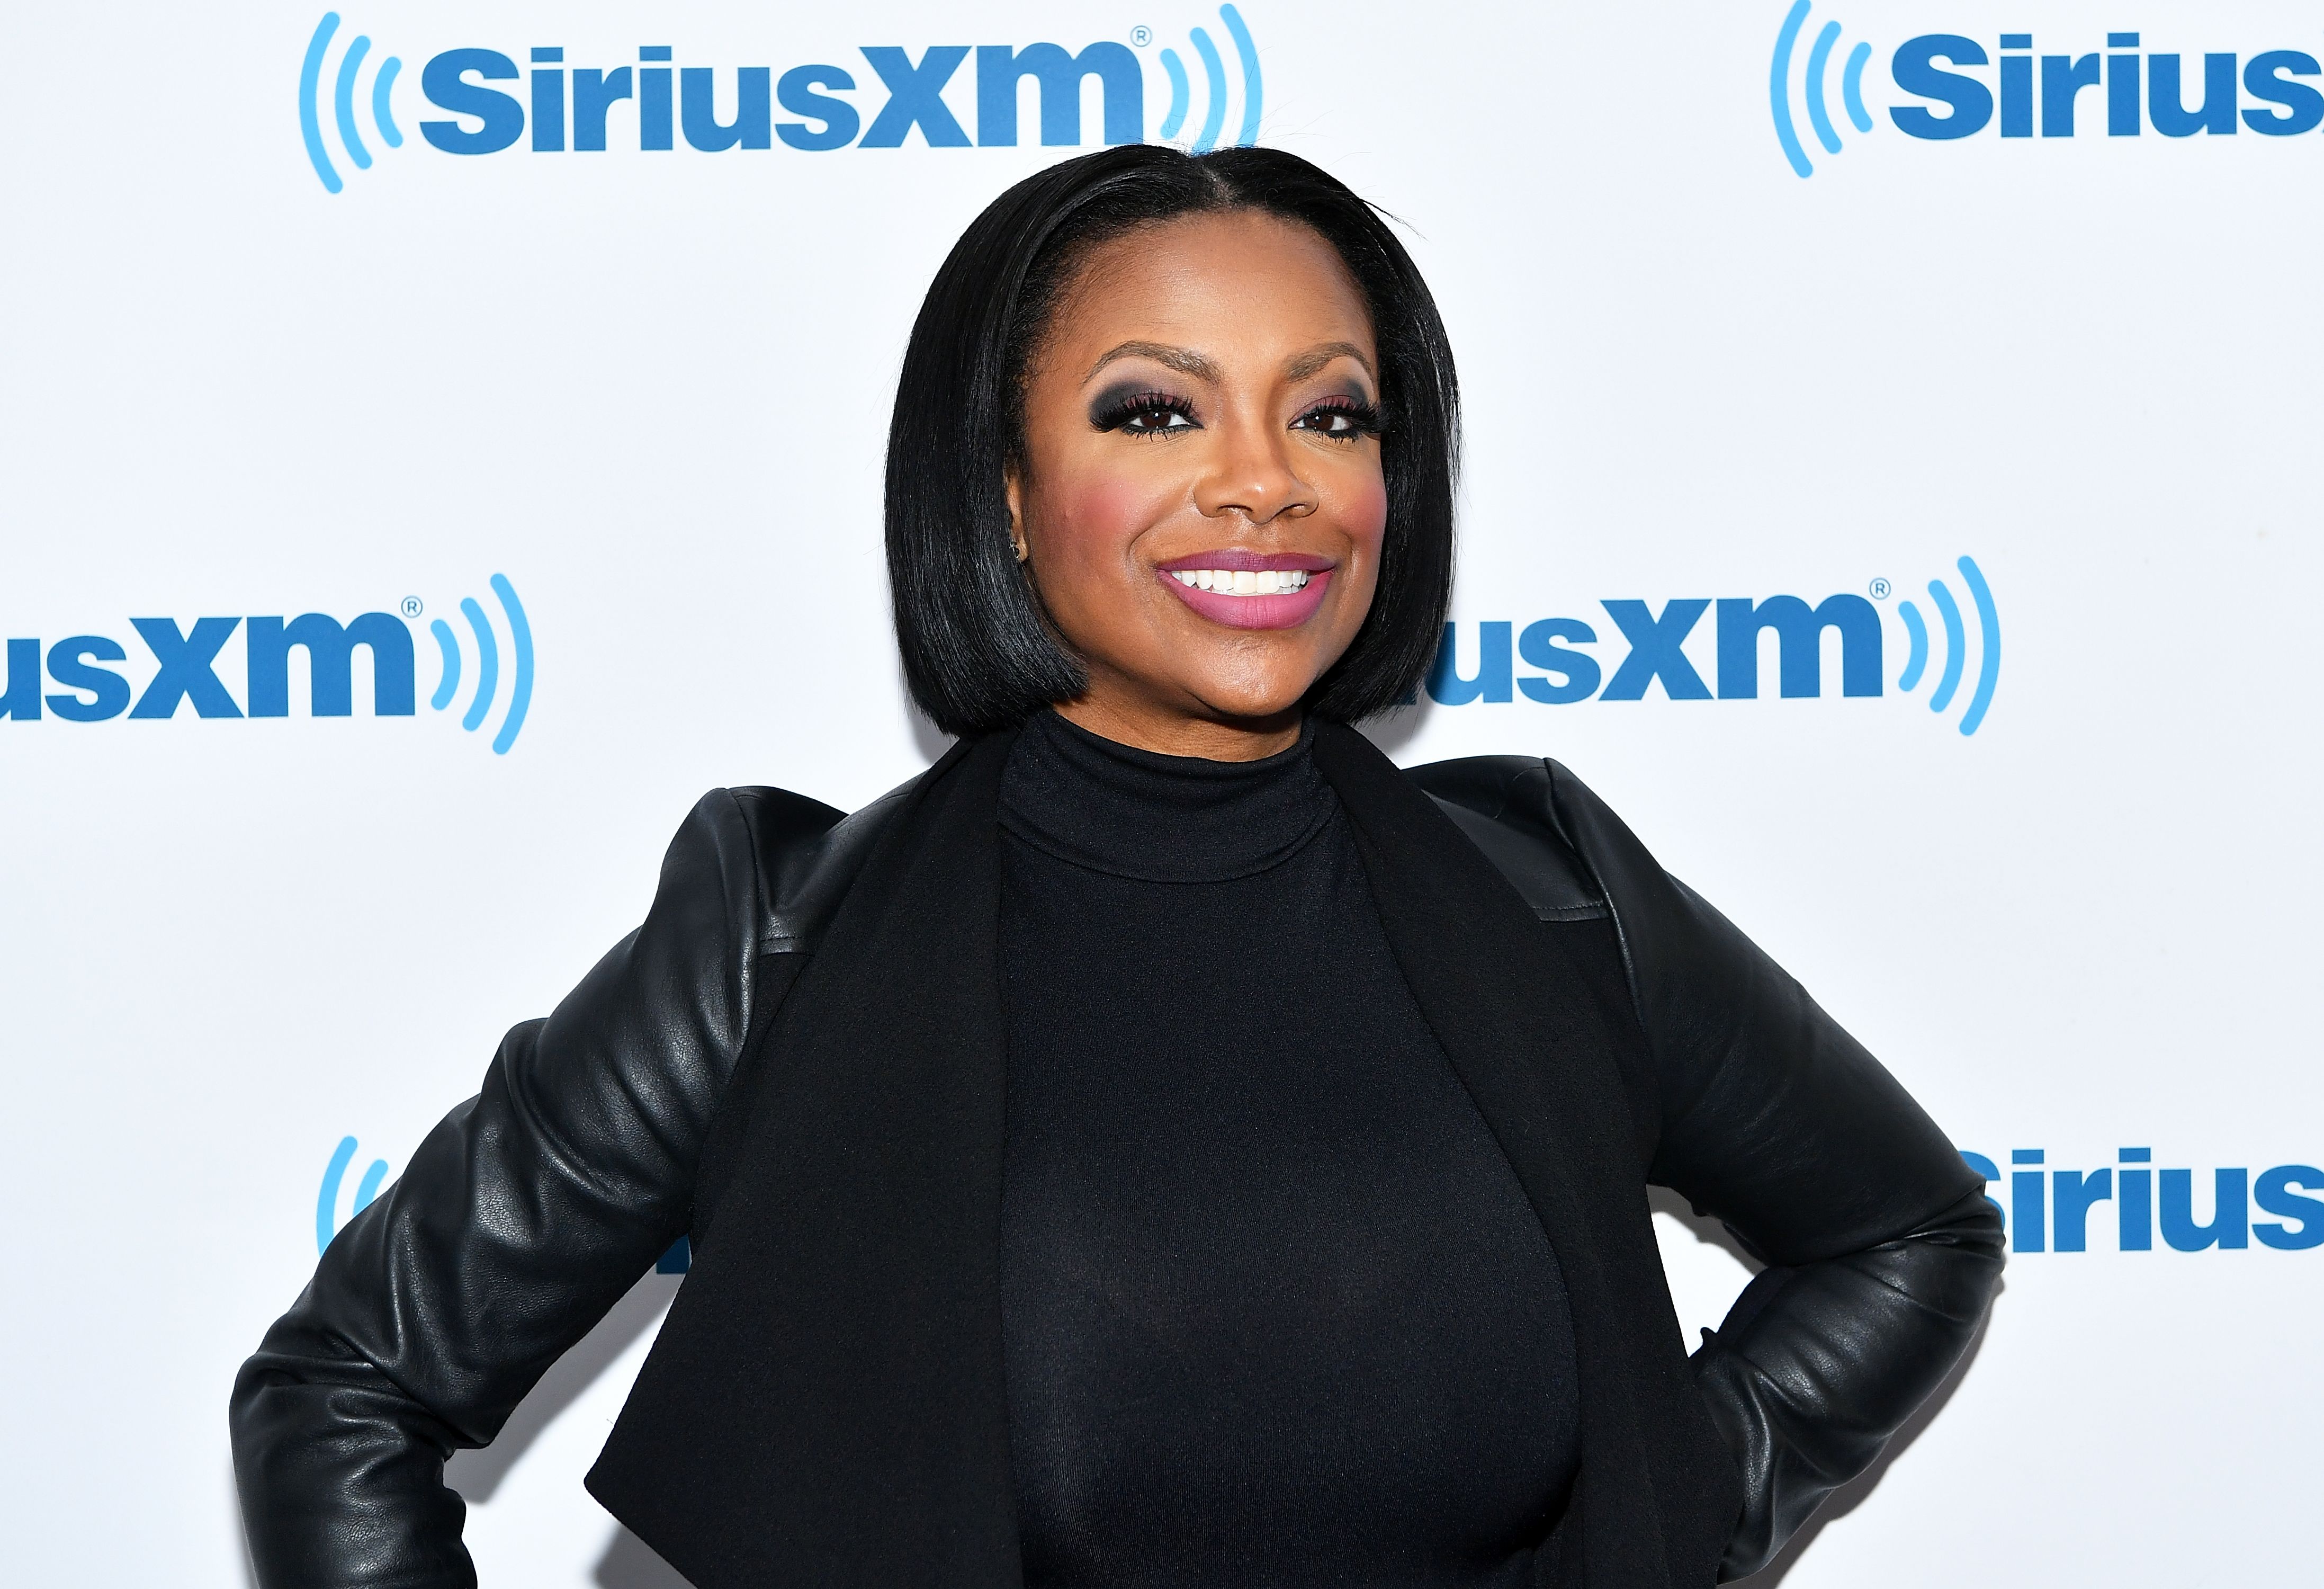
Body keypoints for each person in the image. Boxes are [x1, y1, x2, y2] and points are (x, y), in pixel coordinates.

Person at [231, 145, 2002, 1589]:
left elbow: (1907, 1231)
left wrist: (1661, 1518)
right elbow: (342, 1394)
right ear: (1001, 491)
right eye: (1156, 413)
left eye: (1333, 416)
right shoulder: (778, 939)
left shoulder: (1548, 889)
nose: (1265, 485)